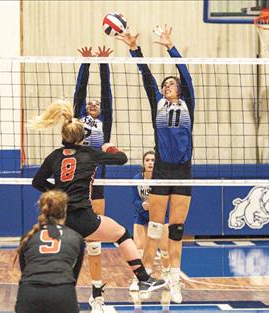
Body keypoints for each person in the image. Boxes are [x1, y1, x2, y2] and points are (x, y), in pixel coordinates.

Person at [29, 100, 166, 309]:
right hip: (84, 218)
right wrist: (109, 147)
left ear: (63, 136)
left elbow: (37, 182)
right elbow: (122, 159)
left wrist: (58, 194)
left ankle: (49, 295)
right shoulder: (89, 154)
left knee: (67, 261)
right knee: (121, 234)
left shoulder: (54, 156)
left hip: (61, 220)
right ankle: (143, 278)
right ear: (82, 137)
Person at [117, 24, 195, 303]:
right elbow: (146, 77)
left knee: (176, 229)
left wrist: (170, 46)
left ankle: (174, 279)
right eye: (165, 85)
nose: (167, 86)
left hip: (183, 170)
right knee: (154, 226)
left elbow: (184, 73)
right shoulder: (158, 104)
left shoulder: (188, 104)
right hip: (161, 169)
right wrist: (134, 49)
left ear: (180, 89)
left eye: (171, 83)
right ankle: (147, 275)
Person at [73, 45, 113, 312]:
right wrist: (85, 64)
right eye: (91, 103)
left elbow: (107, 96)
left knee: (95, 242)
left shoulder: (104, 123)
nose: (93, 104)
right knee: (73, 242)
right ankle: (66, 288)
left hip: (97, 184)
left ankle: (97, 291)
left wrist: (103, 64)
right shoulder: (77, 121)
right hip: (75, 184)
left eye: (96, 103)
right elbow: (79, 95)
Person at [15, 190, 84, 313]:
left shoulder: (28, 237)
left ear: (42, 209)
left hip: (29, 293)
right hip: (63, 292)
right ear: (65, 210)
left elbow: (24, 270)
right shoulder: (76, 237)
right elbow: (74, 275)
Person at [129, 150, 170, 291]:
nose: (150, 162)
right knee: (138, 249)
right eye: (147, 160)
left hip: (159, 215)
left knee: (165, 249)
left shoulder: (161, 179)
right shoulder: (136, 179)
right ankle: (138, 279)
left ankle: (167, 275)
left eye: (153, 160)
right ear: (143, 163)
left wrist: (154, 205)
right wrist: (142, 205)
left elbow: (167, 200)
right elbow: (134, 200)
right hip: (141, 215)